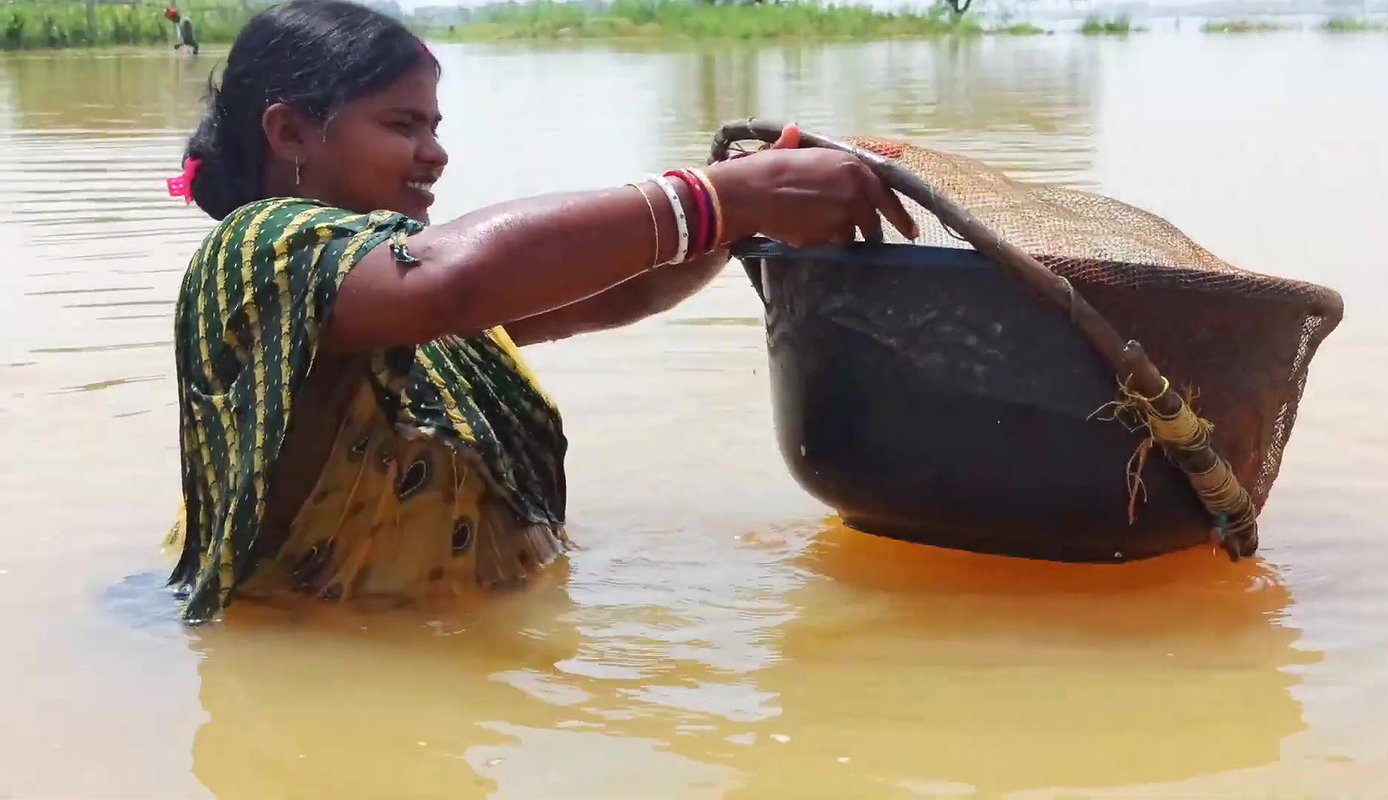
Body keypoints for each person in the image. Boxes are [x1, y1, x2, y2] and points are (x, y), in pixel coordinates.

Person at [163, 0, 917, 624]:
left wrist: (738, 216)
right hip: (317, 683)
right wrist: (718, 200)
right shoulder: (259, 249)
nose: (435, 154)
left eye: (434, 126)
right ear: (290, 132)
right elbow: (449, 281)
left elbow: (614, 292)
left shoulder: (394, 299)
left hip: (442, 665)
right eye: (401, 126)